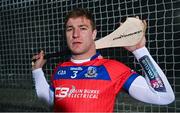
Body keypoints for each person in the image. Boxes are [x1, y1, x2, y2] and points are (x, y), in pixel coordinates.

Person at [32, 8, 175, 112]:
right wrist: (37, 71)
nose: (75, 34)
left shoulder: (113, 69)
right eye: (70, 29)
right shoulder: (60, 69)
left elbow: (163, 97)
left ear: (93, 34)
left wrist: (139, 50)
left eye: (82, 28)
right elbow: (51, 104)